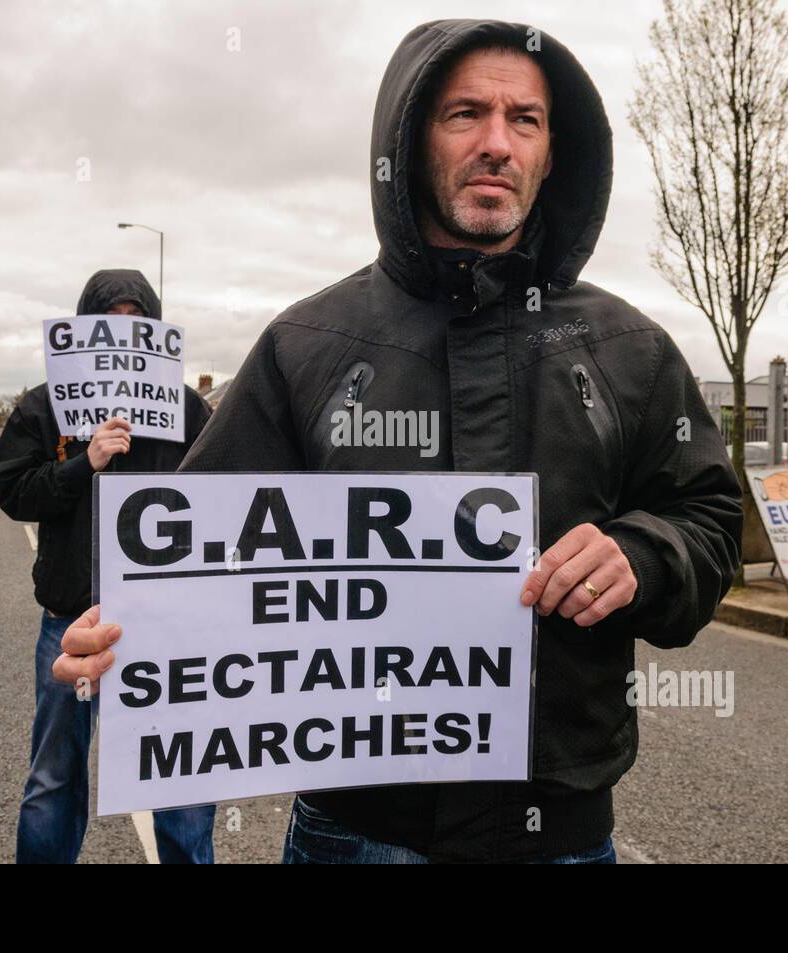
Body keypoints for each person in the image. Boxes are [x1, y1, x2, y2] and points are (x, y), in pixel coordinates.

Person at [55, 20, 742, 863]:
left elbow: (709, 519)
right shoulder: (304, 345)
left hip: (559, 831)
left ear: (554, 153)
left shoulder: (630, 349)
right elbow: (196, 555)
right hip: (355, 832)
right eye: (465, 114)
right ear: (410, 142)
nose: (497, 142)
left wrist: (645, 552)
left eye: (524, 120)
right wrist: (125, 631)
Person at [0, 268, 216, 864]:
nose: (122, 344)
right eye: (108, 329)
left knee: (183, 779)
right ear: (83, 333)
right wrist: (82, 462)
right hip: (71, 621)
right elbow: (14, 493)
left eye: (136, 329)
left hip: (168, 626)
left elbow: (230, 495)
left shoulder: (190, 410)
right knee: (55, 776)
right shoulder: (45, 408)